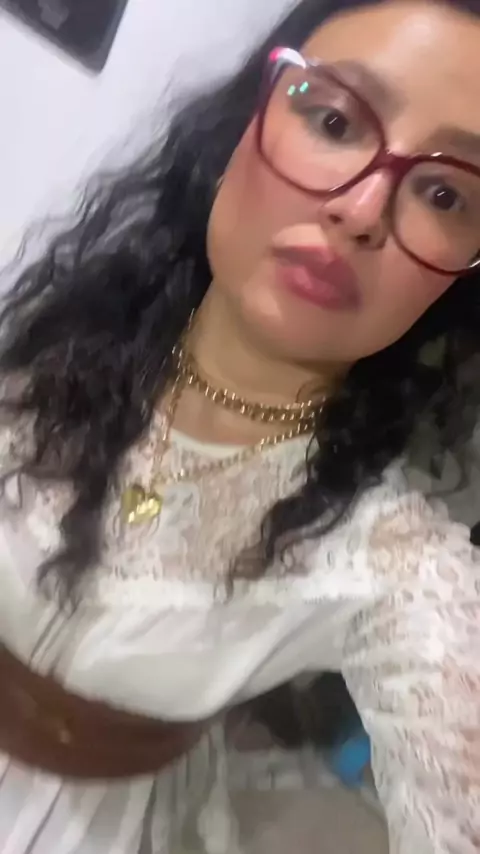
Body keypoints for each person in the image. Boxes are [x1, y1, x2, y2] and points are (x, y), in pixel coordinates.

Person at [0, 0, 479, 850]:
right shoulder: (61, 341)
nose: (364, 207)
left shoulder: (394, 566)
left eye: (445, 194)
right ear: (245, 125)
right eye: (335, 120)